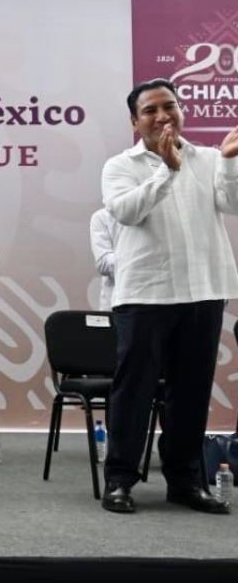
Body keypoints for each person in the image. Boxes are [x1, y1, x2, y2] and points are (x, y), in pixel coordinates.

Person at [99, 78, 237, 515]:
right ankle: (120, 481)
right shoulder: (119, 165)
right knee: (134, 391)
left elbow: (232, 203)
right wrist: (167, 167)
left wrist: (232, 163)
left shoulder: (210, 158)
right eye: (150, 110)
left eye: (170, 106)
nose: (162, 116)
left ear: (181, 110)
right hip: (145, 294)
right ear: (134, 122)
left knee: (192, 391)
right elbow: (126, 211)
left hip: (203, 290)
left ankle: (184, 481)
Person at [89, 206, 119, 311]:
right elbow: (103, 263)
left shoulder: (165, 218)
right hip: (117, 305)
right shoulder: (103, 217)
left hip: (163, 301)